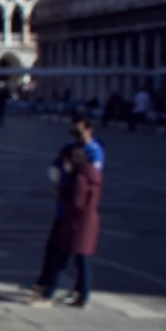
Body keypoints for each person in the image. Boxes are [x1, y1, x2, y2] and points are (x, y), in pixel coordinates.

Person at [30, 129, 103, 308]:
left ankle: (47, 295)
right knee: (81, 261)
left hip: (76, 224)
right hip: (87, 223)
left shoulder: (79, 178)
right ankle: (82, 296)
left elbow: (76, 203)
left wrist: (61, 194)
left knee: (61, 260)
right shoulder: (92, 174)